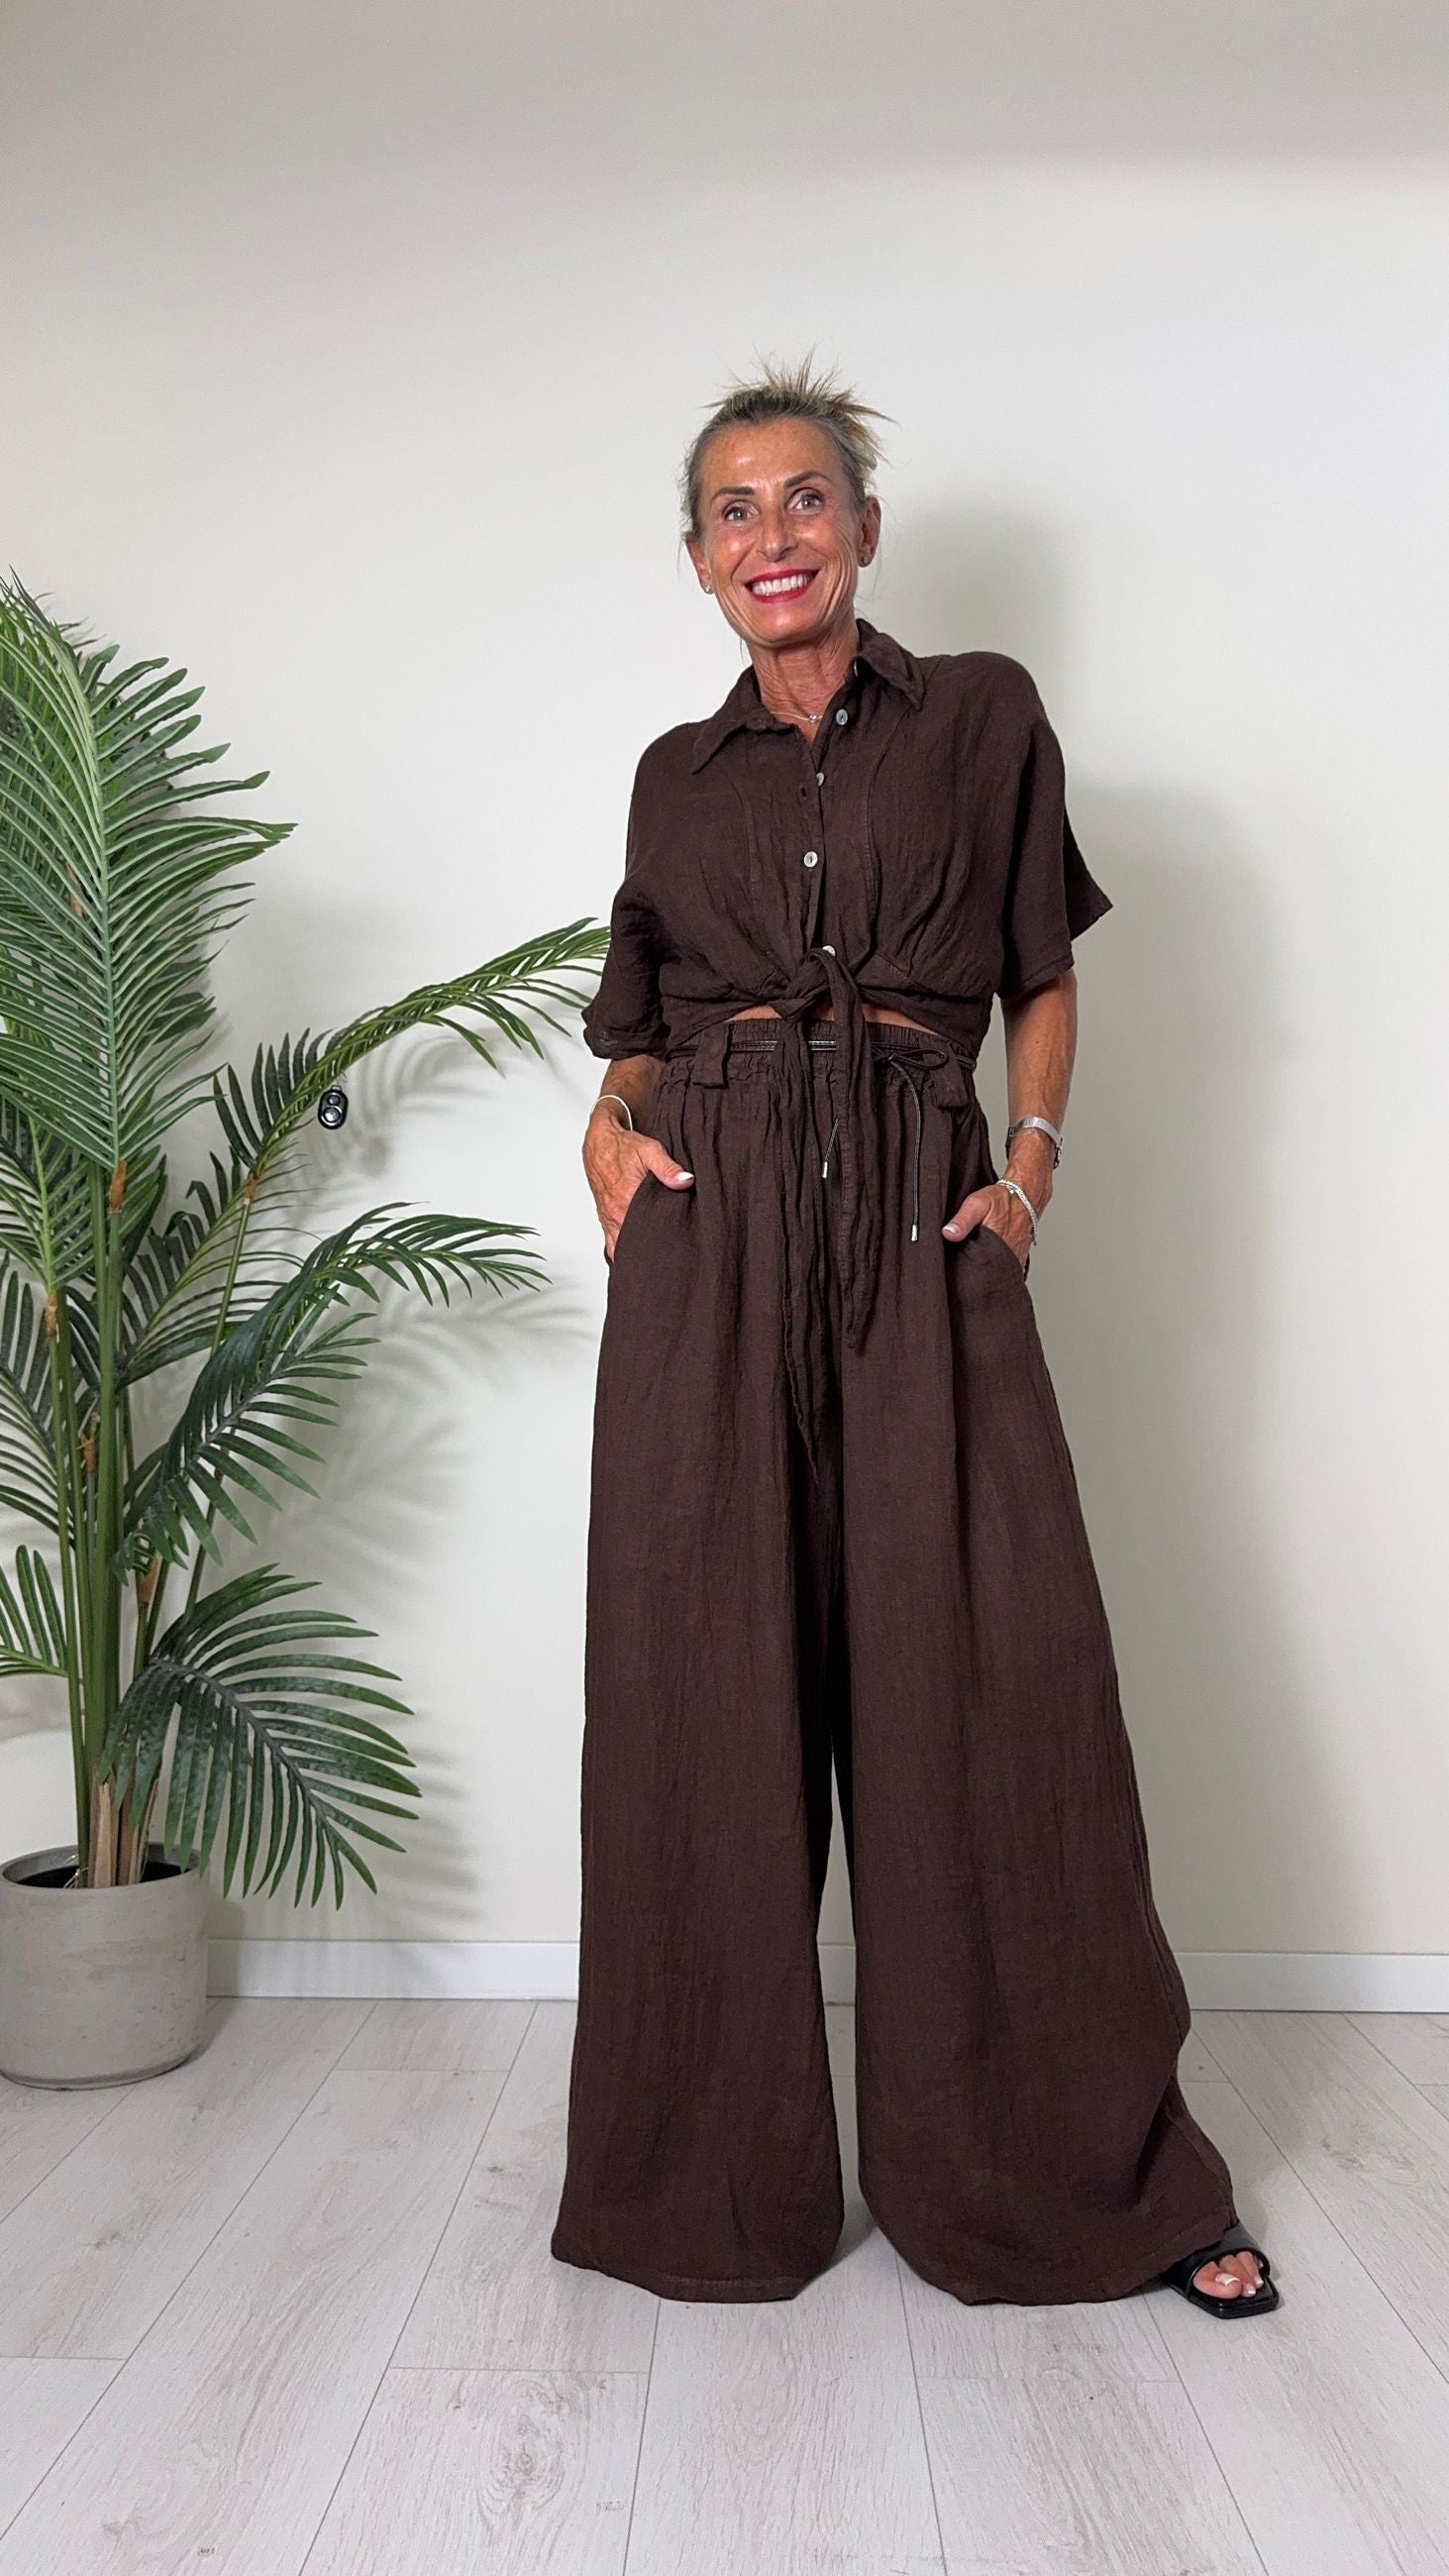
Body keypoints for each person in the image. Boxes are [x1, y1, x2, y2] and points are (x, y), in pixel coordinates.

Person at [551, 359, 1278, 2320]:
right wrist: (606, 1131)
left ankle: (1082, 2180)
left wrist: (1027, 1169)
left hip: (916, 1212)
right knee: (704, 1695)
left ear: (863, 527)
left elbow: (1040, 970)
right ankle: (704, 2184)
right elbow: (640, 1026)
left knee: (993, 1685)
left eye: (804, 497)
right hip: (709, 1245)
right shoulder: (674, 777)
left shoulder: (981, 717)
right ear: (697, 560)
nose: (770, 535)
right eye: (732, 510)